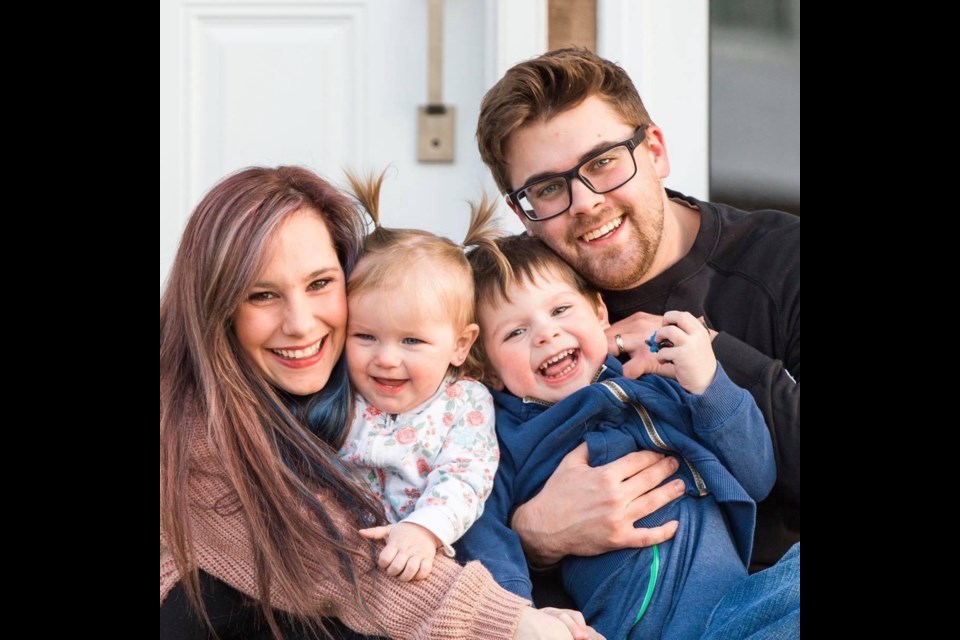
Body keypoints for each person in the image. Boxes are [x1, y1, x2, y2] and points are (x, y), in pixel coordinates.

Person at [159, 165, 602, 639]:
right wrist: (511, 622)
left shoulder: (374, 386)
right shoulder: (190, 423)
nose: (302, 325)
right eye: (262, 295)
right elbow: (334, 560)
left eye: (320, 284)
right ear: (216, 304)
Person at [475, 47, 800, 573]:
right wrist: (534, 538)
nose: (585, 203)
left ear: (655, 149)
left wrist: (705, 349)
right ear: (522, 213)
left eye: (602, 162)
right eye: (549, 188)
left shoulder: (783, 260)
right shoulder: (516, 313)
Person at [456, 232, 798, 639]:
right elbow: (482, 536)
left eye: (561, 309)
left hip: (735, 610)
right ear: (488, 370)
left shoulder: (657, 384)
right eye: (515, 332)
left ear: (599, 313)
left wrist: (710, 383)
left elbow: (756, 477)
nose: (546, 334)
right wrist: (520, 617)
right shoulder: (496, 440)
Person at [337, 173, 499, 582]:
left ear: (460, 345)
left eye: (412, 340)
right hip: (342, 553)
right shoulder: (339, 390)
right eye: (366, 336)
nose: (386, 359)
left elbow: (466, 475)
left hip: (429, 556)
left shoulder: (463, 402)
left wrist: (424, 528)